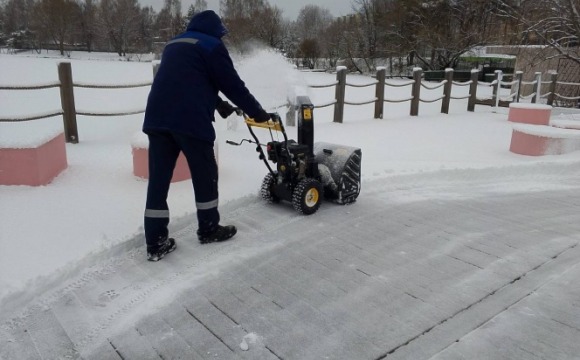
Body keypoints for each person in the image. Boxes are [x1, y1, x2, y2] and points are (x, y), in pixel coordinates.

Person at [142, 10, 270, 261]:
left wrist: (216, 102)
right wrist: (258, 112)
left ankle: (156, 243)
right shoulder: (212, 46)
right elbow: (233, 84)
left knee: (158, 181)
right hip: (190, 121)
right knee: (205, 176)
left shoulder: (174, 44)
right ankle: (209, 230)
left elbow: (185, 80)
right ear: (216, 31)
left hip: (157, 119)